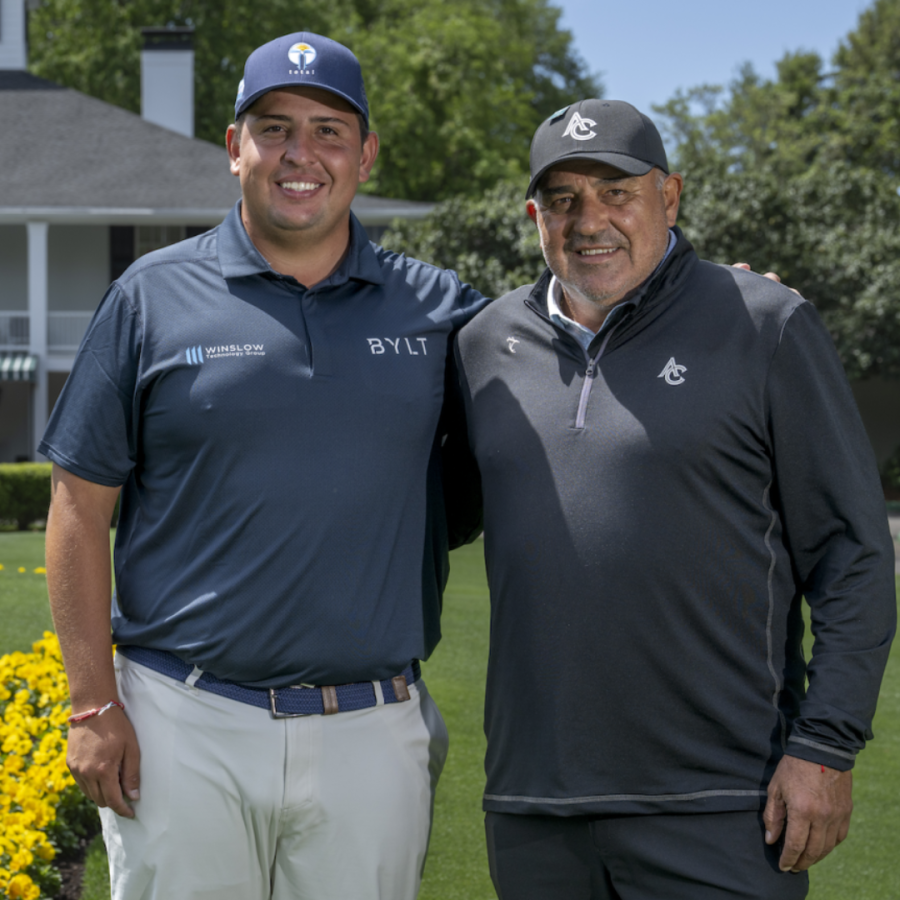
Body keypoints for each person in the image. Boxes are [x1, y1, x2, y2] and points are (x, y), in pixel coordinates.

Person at [41, 32, 488, 900]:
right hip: (184, 723)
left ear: (366, 155)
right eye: (274, 127)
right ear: (234, 147)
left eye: (328, 130)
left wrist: (710, 303)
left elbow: (574, 349)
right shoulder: (148, 296)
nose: (300, 154)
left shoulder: (441, 309)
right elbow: (77, 505)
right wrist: (93, 704)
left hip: (374, 727)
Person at [451, 99, 897, 900]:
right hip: (533, 809)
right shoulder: (483, 344)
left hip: (723, 809)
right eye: (564, 199)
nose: (591, 221)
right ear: (533, 214)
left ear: (671, 197)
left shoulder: (764, 324)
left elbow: (853, 556)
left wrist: (826, 748)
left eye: (617, 192)